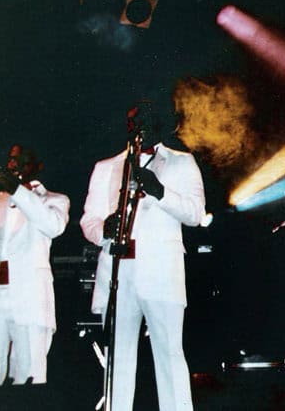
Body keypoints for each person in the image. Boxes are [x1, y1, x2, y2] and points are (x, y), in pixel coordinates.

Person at [81, 106, 205, 410]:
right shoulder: (106, 167)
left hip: (161, 273)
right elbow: (88, 221)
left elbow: (195, 214)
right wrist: (103, 229)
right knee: (117, 359)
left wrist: (160, 192)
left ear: (159, 125)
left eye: (147, 121)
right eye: (134, 122)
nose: (140, 127)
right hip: (118, 271)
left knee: (169, 355)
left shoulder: (182, 162)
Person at [0, 145, 70, 386]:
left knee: (30, 375)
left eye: (22, 159)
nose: (14, 164)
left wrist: (17, 190)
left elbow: (52, 226)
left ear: (38, 166)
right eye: (11, 159)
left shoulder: (54, 200)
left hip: (29, 299)